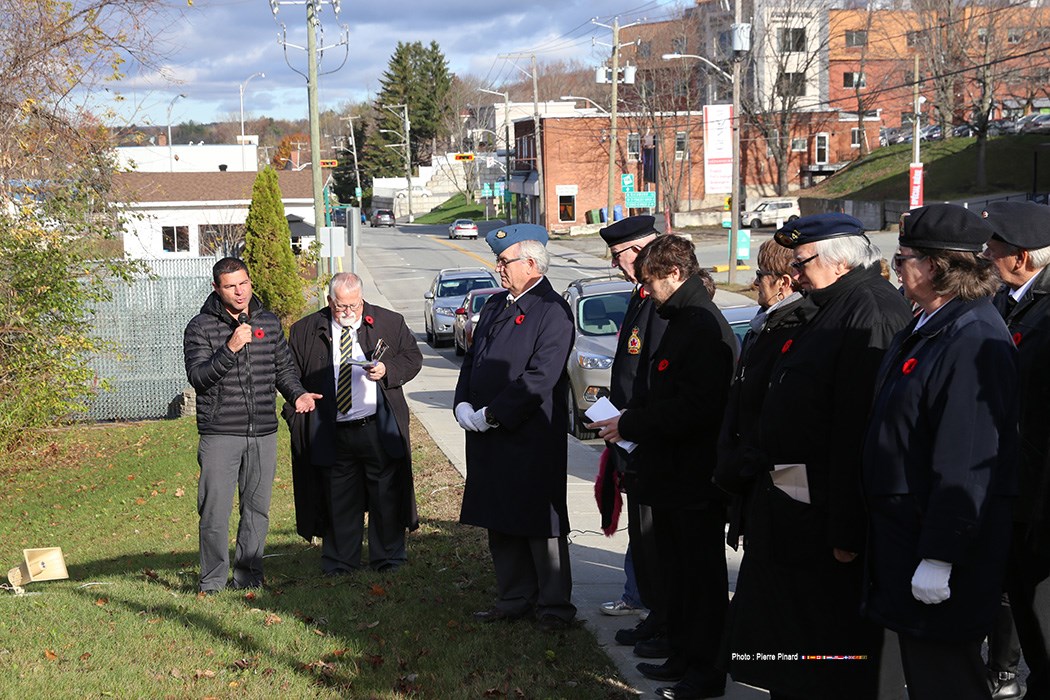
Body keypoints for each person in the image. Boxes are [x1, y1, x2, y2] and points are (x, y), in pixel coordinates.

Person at [726, 213, 912, 700]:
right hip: (794, 505)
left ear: (839, 259)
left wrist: (847, 526)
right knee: (792, 639)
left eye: (803, 261)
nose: (797, 273)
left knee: (832, 650)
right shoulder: (830, 305)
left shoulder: (868, 310)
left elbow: (860, 429)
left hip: (829, 518)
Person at [862, 203, 1018, 700]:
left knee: (946, 679)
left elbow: (967, 457)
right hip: (904, 535)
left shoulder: (971, 335)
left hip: (938, 549)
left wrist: (941, 555)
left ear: (933, 265)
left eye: (901, 258)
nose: (897, 269)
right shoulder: (931, 324)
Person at [590, 234, 738, 700]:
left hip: (693, 476)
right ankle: (684, 653)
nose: (648, 292)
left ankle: (705, 669)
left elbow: (696, 406)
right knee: (678, 575)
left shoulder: (701, 323)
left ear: (675, 274)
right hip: (672, 473)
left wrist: (632, 421)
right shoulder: (680, 316)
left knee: (701, 580)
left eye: (651, 282)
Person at [453, 223, 577, 632]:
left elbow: (540, 378)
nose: (498, 268)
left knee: (540, 524)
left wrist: (491, 414)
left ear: (530, 263)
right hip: (490, 438)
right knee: (501, 518)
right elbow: (472, 360)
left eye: (504, 261)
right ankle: (513, 597)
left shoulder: (552, 311)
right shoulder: (493, 305)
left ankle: (554, 605)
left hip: (529, 438)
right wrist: (463, 404)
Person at [183, 257, 321, 594]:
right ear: (217, 288)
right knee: (214, 512)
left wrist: (298, 394)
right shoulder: (200, 327)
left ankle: (249, 576)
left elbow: (284, 370)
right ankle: (212, 581)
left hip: (263, 432)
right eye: (230, 286)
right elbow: (199, 377)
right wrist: (230, 347)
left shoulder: (268, 323)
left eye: (243, 283)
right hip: (220, 433)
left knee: (256, 510)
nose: (239, 291)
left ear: (250, 283)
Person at [286, 272, 423, 574]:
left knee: (385, 495)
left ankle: (388, 559)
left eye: (354, 306)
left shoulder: (389, 321)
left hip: (376, 425)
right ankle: (340, 562)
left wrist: (388, 369)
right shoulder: (305, 330)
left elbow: (413, 357)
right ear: (329, 301)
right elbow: (289, 373)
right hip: (332, 429)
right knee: (338, 496)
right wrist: (298, 397)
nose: (348, 313)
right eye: (341, 307)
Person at [593, 215, 670, 654]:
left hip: (646, 434)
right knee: (642, 536)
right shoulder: (641, 295)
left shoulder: (662, 301)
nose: (618, 264)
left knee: (655, 537)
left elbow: (655, 370)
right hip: (628, 430)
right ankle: (647, 605)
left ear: (642, 250)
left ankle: (657, 612)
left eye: (621, 255)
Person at [983, 200, 1050, 699]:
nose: (986, 253)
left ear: (1022, 257)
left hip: (1038, 501)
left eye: (995, 246)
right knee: (1022, 611)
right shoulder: (1007, 302)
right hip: (1010, 491)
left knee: (1042, 623)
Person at [715, 238, 816, 550]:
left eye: (760, 275)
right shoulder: (767, 323)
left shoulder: (796, 327)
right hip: (755, 471)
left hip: (781, 473)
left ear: (783, 283)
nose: (755, 282)